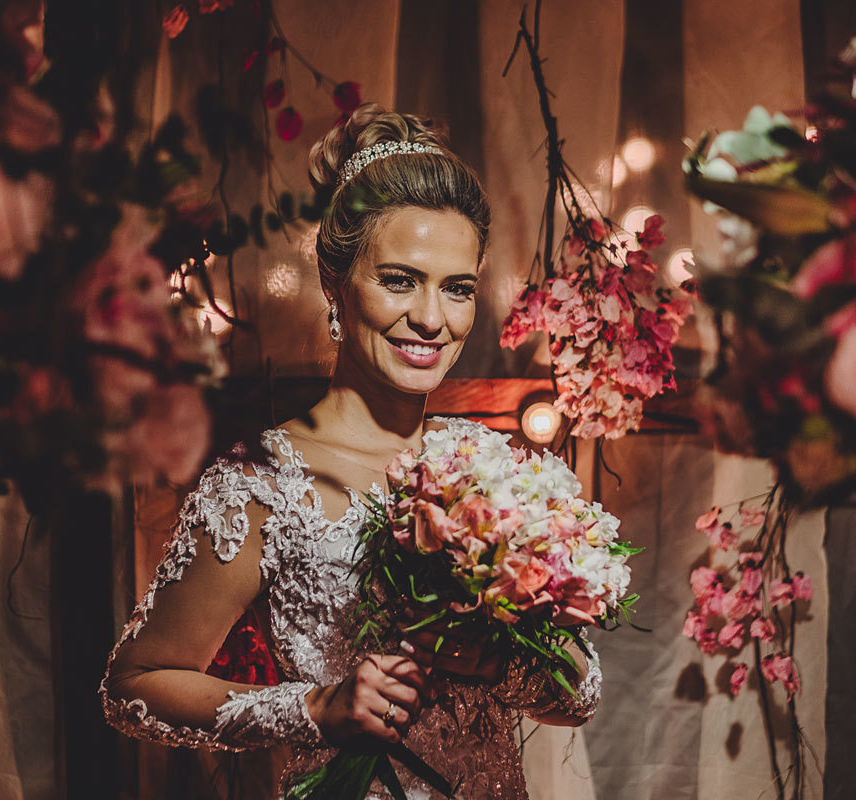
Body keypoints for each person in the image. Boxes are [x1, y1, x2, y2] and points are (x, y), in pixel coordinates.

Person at [100, 103, 601, 800]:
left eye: (456, 288)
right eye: (399, 279)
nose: (431, 318)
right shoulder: (262, 485)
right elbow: (132, 688)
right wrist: (311, 709)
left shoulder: (503, 474)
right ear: (336, 285)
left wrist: (498, 665)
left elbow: (577, 695)